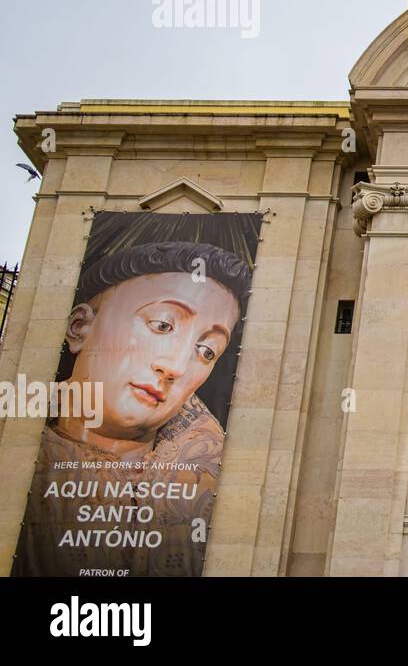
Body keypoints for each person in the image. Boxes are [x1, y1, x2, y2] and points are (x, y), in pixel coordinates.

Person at [13, 241, 252, 577]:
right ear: (79, 327)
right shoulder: (17, 451)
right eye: (163, 325)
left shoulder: (215, 472)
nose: (176, 366)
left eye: (207, 351)